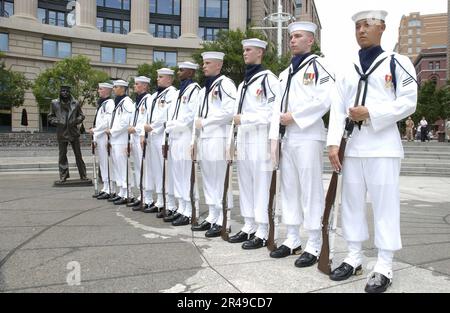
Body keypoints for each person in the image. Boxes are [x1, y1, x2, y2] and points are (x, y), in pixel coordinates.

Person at [327, 10, 417, 293]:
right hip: (352, 147)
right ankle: (354, 257)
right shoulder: (346, 67)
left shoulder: (397, 62)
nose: (361, 30)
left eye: (367, 25)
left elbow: (409, 102)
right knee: (351, 204)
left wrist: (372, 111)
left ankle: (384, 265)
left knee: (384, 205)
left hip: (383, 146)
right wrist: (332, 143)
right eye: (357, 26)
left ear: (382, 29)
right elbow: (338, 107)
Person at [268, 22, 334, 264]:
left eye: (298, 36)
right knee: (290, 189)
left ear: (311, 41)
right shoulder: (285, 73)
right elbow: (276, 108)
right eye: (291, 37)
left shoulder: (319, 65)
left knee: (310, 190)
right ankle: (293, 238)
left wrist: (295, 116)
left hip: (308, 134)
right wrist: (274, 137)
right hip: (288, 137)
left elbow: (325, 98)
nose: (292, 40)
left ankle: (314, 242)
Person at [226, 38, 280, 249]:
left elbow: (271, 112)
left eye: (248, 50)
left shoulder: (268, 80)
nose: (244, 53)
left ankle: (263, 230)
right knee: (246, 184)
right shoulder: (243, 83)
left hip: (259, 139)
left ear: (260, 53)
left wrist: (246, 119)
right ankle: (249, 225)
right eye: (244, 50)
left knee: (261, 185)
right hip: (245, 139)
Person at [191, 51, 237, 237]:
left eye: (208, 63)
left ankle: (222, 219)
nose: (204, 66)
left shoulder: (225, 84)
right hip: (205, 139)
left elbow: (230, 111)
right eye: (204, 63)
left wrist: (207, 122)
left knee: (220, 180)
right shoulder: (204, 90)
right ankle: (212, 216)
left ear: (218, 65)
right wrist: (194, 140)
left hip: (218, 137)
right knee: (209, 180)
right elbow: (197, 116)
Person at [138, 68, 178, 216]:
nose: (158, 79)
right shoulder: (154, 96)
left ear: (169, 79)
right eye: (157, 77)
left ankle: (171, 203)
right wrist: (143, 133)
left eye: (161, 77)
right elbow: (146, 117)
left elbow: (166, 115)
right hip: (152, 137)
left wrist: (153, 127)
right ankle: (160, 201)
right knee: (156, 171)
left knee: (165, 171)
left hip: (162, 136)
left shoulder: (173, 93)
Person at [165, 62, 200, 226]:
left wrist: (173, 126)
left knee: (186, 175)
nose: (179, 72)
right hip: (175, 137)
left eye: (182, 70)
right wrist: (171, 126)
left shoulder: (194, 89)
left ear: (191, 72)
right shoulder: (180, 91)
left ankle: (189, 210)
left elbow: (191, 116)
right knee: (178, 174)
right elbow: (172, 114)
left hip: (185, 136)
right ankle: (181, 208)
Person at [48, 85, 87, 182]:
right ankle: (63, 175)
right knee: (62, 155)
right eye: (63, 91)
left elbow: (81, 115)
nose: (64, 93)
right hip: (62, 132)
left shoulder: (76, 103)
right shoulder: (54, 103)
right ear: (60, 92)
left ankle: (83, 175)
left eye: (66, 91)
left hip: (73, 132)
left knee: (78, 155)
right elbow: (50, 117)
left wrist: (75, 121)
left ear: (70, 92)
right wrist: (57, 121)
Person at [105, 80, 135, 205]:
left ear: (123, 88)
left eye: (116, 87)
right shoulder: (119, 102)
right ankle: (122, 192)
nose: (114, 89)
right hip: (116, 140)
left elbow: (125, 122)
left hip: (121, 139)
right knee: (118, 167)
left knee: (123, 167)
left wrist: (112, 131)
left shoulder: (126, 102)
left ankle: (129, 193)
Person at [127, 76, 152, 209]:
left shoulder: (148, 99)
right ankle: (141, 194)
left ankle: (147, 198)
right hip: (135, 138)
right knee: (137, 168)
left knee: (144, 168)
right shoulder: (137, 101)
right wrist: (130, 141)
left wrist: (137, 130)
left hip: (141, 137)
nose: (134, 86)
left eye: (137, 84)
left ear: (144, 86)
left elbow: (147, 120)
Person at [90, 82, 115, 199]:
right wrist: (94, 137)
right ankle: (105, 187)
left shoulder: (109, 103)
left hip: (105, 137)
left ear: (106, 91)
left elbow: (106, 122)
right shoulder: (101, 104)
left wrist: (95, 130)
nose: (98, 91)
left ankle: (110, 188)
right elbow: (98, 121)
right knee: (103, 164)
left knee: (107, 163)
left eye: (100, 89)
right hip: (99, 137)